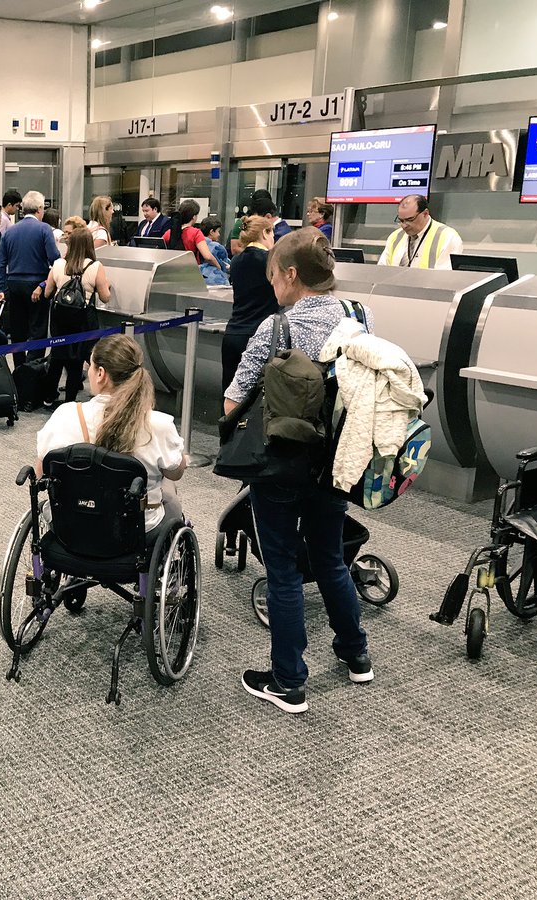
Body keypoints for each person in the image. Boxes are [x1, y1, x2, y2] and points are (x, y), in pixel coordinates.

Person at [225, 228, 376, 715]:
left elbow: (233, 399)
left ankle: (288, 681)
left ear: (291, 275)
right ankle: (356, 655)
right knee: (330, 558)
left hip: (282, 466)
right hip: (337, 461)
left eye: (273, 277)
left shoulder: (277, 329)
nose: (272, 287)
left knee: (283, 569)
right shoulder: (360, 316)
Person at [36, 334, 185, 529]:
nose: (88, 371)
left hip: (72, 525)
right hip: (133, 530)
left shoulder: (65, 415)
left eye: (90, 365)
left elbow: (40, 473)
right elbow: (175, 473)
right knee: (170, 497)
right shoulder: (157, 424)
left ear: (101, 373)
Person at [38, 227, 111, 408]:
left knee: (57, 354)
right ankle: (70, 400)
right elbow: (105, 297)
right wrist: (107, 286)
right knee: (76, 358)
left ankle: (48, 396)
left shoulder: (58, 264)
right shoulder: (95, 267)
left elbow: (47, 293)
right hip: (83, 318)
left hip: (59, 318)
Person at [0, 190, 60, 368]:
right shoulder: (44, 229)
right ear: (40, 208)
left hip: (14, 285)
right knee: (38, 331)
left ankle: (19, 369)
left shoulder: (10, 231)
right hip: (37, 285)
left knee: (17, 331)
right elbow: (55, 258)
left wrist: (2, 289)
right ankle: (33, 370)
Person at [223, 215, 277, 390]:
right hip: (259, 337)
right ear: (264, 233)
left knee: (230, 393)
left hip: (233, 334)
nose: (273, 239)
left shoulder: (236, 261)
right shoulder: (270, 261)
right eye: (272, 234)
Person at [377, 194, 463, 270]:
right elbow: (382, 270)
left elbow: (445, 278)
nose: (404, 225)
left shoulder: (447, 237)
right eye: (401, 220)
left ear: (425, 214)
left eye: (410, 220)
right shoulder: (396, 236)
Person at [163, 200, 222, 271]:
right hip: (192, 272)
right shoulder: (196, 233)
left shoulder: (169, 233)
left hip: (172, 271)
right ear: (194, 217)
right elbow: (208, 256)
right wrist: (218, 267)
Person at [197, 216, 231, 286]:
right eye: (218, 231)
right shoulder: (217, 248)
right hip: (216, 279)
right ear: (211, 232)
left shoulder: (196, 244)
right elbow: (225, 265)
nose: (219, 234)